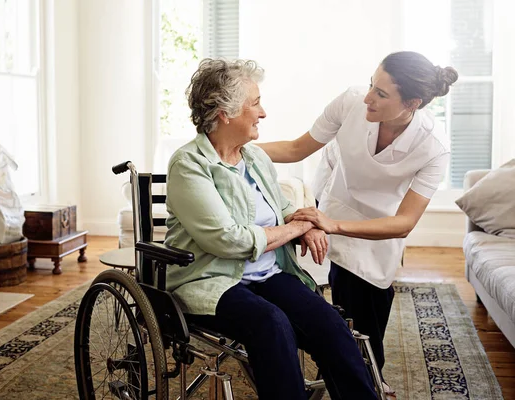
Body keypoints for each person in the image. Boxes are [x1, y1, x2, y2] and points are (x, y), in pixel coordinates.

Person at [164, 58, 377, 400]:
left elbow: (280, 209)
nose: (262, 113)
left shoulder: (256, 158)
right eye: (255, 103)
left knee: (329, 325)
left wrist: (303, 223)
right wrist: (295, 229)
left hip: (265, 274)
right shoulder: (189, 164)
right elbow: (229, 241)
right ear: (225, 113)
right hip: (210, 279)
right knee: (271, 323)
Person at [258, 51, 459, 398]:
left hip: (380, 230)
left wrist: (333, 225)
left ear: (413, 103)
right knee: (342, 315)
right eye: (371, 85)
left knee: (366, 320)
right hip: (334, 211)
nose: (368, 96)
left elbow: (404, 222)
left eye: (381, 94)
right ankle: (357, 377)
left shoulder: (433, 148)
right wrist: (235, 146)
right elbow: (296, 148)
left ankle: (367, 376)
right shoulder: (352, 101)